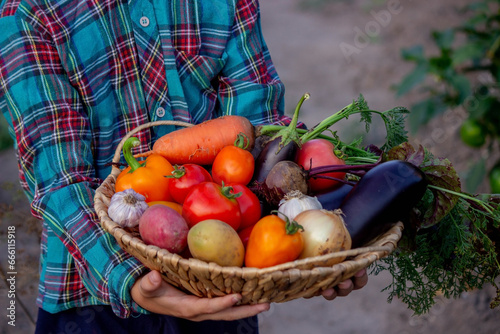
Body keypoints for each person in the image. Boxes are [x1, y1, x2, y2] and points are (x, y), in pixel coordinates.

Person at [0, 0, 368, 333]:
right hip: (94, 290)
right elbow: (60, 178)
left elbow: (259, 131)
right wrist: (134, 279)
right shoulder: (31, 11)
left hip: (220, 275)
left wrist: (313, 251)